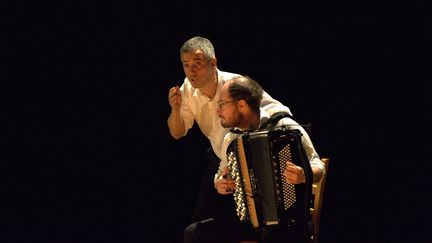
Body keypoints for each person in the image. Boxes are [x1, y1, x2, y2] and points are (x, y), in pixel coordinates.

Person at [167, 36, 292, 226]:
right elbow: (177, 133)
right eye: (186, 65)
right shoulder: (187, 89)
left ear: (213, 63)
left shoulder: (234, 85)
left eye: (197, 63)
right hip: (221, 158)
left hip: (248, 156)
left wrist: (280, 131)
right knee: (198, 224)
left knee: (257, 221)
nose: (191, 71)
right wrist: (176, 109)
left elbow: (276, 110)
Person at [184, 76, 325, 243]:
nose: (217, 111)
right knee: (194, 233)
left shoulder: (284, 126)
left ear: (241, 105)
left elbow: (318, 166)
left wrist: (303, 174)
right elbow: (222, 173)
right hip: (250, 221)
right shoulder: (231, 138)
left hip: (289, 223)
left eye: (222, 104)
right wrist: (220, 182)